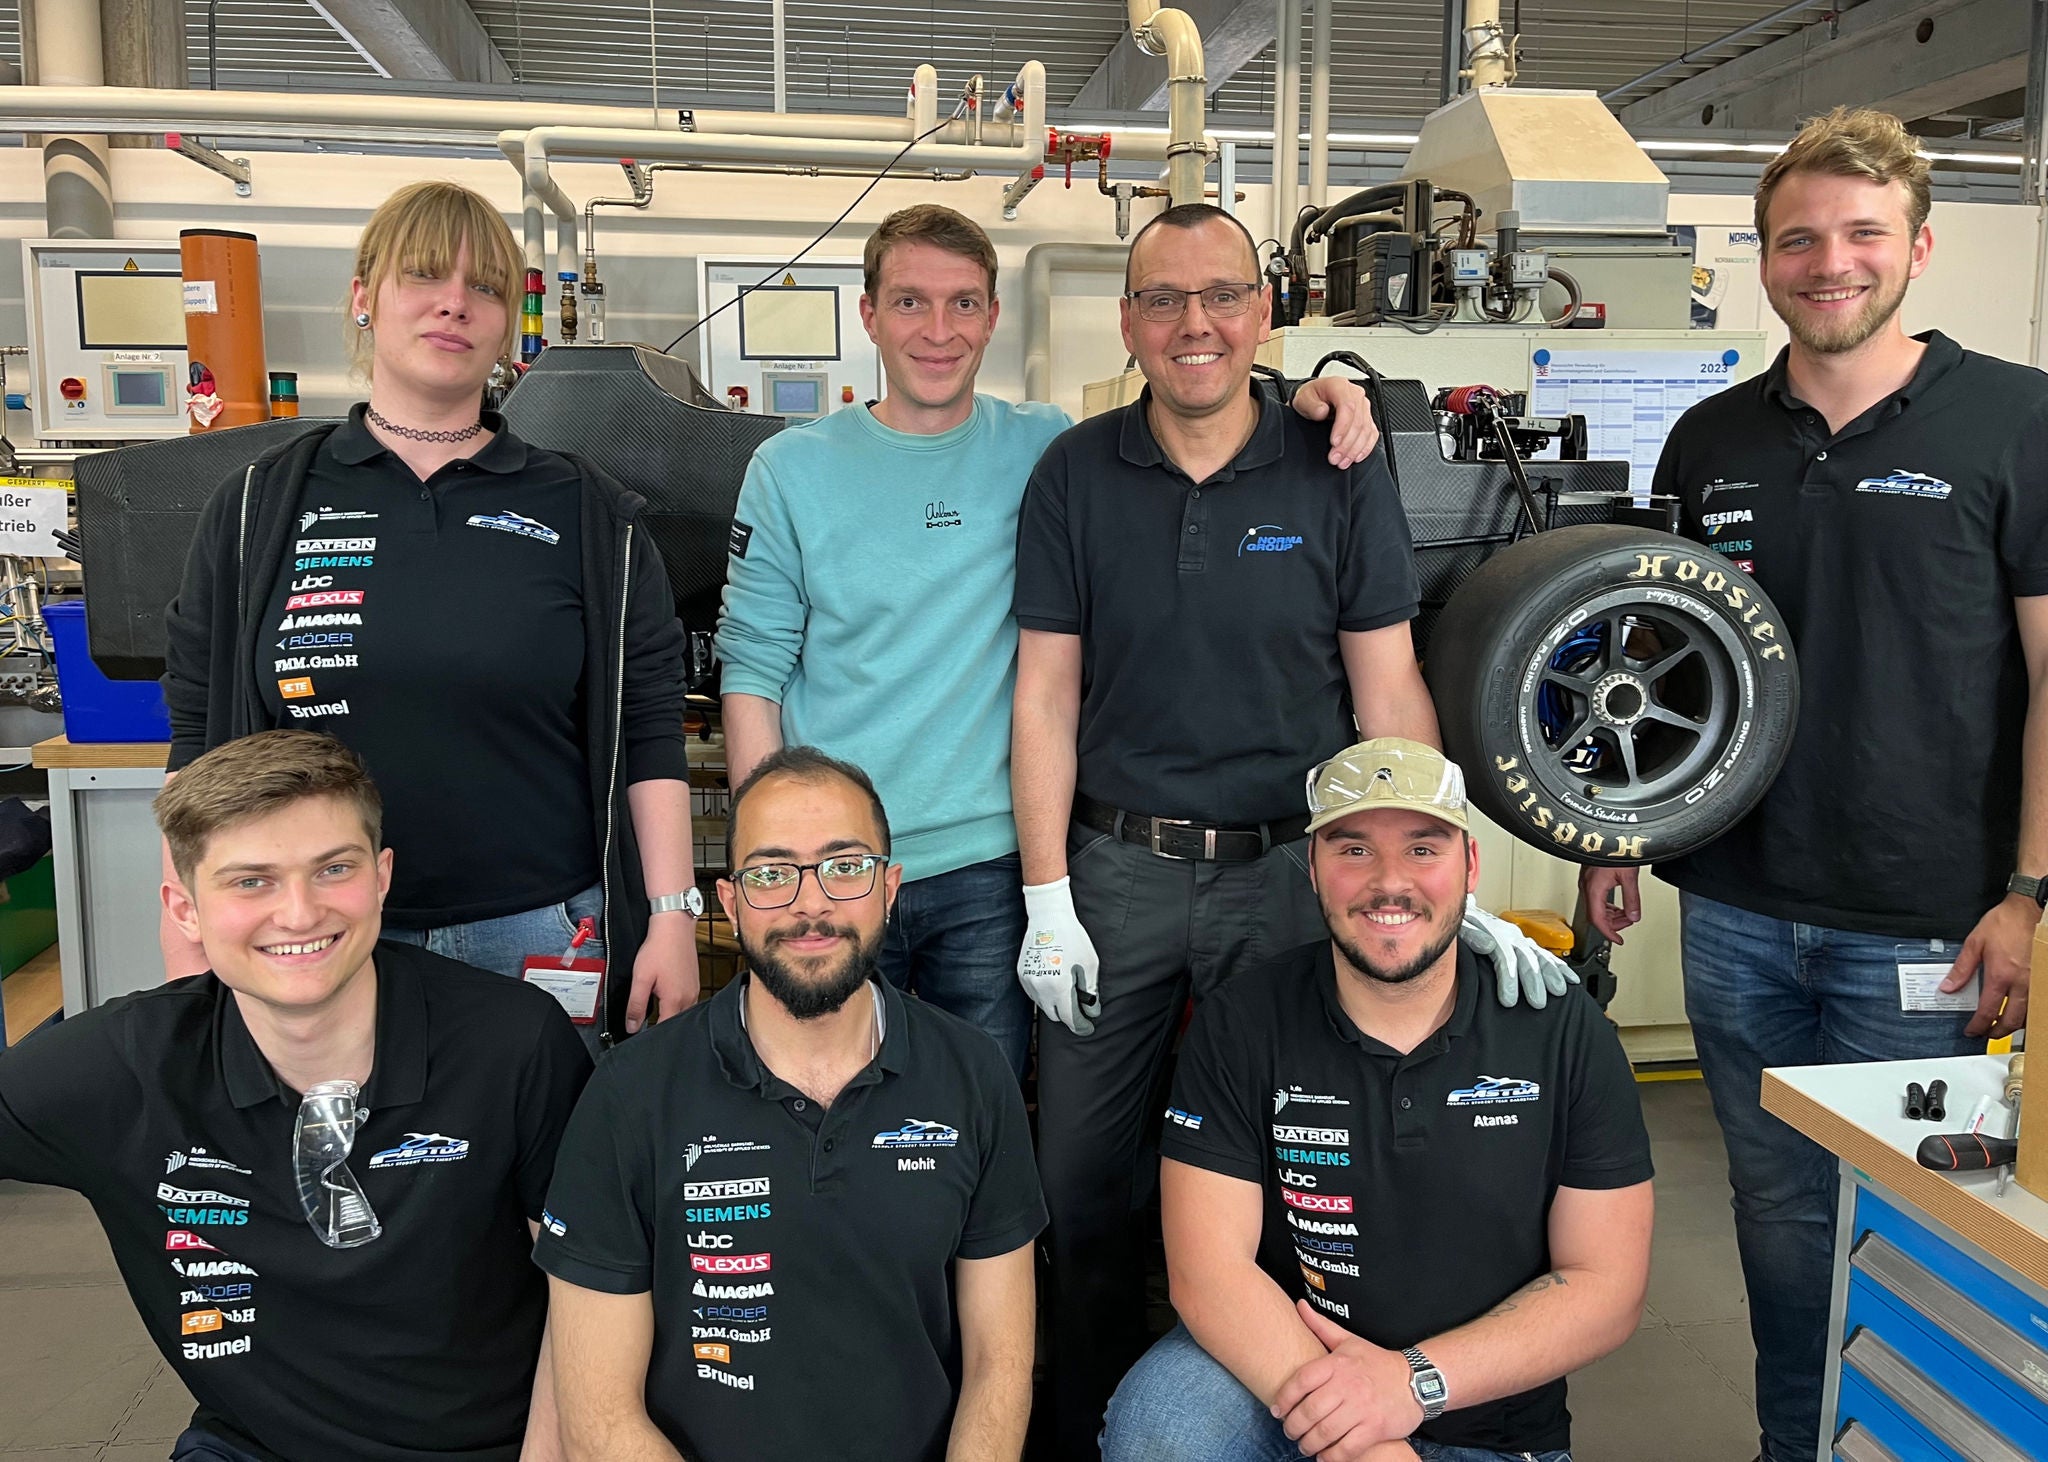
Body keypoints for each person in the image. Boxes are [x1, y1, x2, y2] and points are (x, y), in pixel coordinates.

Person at [1009, 201, 1575, 1456]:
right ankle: (1106, 1426)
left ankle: (1300, 1419)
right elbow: (1043, 691)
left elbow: (1383, 682)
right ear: (1128, 321)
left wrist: (1444, 867)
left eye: (1219, 296)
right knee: (1081, 1188)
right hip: (1118, 874)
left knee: (1296, 1174)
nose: (1192, 324)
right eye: (1161, 299)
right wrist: (1047, 894)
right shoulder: (1075, 473)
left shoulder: (1334, 463)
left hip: (1289, 876)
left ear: (1263, 313)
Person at [1580, 107, 2048, 1462]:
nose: (1828, 262)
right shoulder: (1711, 440)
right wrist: (1615, 830)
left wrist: (2029, 892)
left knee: (1920, 1231)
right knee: (1780, 1230)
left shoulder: (2016, 421)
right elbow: (1659, 655)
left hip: (1933, 931)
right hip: (1732, 914)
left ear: (1916, 246)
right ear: (1766, 256)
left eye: (1859, 235)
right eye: (1800, 238)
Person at [715, 203, 1380, 1080]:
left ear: (994, 317)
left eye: (964, 304)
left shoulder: (1045, 449)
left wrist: (1310, 397)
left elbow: (1197, 402)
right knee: (811, 1091)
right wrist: (774, 863)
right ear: (869, 313)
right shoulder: (791, 469)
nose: (939, 331)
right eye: (910, 303)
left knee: (980, 1121)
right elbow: (752, 673)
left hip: (988, 869)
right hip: (833, 870)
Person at [162, 180, 699, 1046]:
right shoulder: (260, 506)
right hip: (315, 934)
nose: (455, 303)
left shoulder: (586, 511)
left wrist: (672, 916)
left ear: (503, 325)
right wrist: (189, 916)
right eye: (424, 277)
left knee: (545, 1177)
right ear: (364, 297)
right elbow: (197, 727)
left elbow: (649, 729)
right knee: (339, 1174)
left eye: (484, 286)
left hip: (540, 930)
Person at [0, 730, 591, 1462]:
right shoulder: (124, 1066)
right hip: (253, 1447)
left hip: (490, 1445)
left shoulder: (512, 1041)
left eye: (331, 869)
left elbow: (589, 1294)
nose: (300, 914)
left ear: (380, 878)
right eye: (251, 881)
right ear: (185, 909)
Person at [1102, 738, 1654, 1462]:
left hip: (1484, 1420)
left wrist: (1409, 1383)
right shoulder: (1245, 1021)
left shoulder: (1562, 1030)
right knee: (1164, 1429)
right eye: (1353, 849)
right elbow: (1208, 1272)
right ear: (1314, 871)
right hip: (1282, 1384)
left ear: (1470, 868)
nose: (1389, 882)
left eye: (1424, 849)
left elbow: (1606, 1284)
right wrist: (1358, 1426)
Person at [536, 745, 1044, 1462]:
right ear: (730, 902)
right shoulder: (629, 1097)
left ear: (889, 889)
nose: (811, 904)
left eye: (845, 867)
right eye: (772, 873)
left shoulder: (972, 1075)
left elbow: (1000, 1366)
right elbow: (598, 1418)